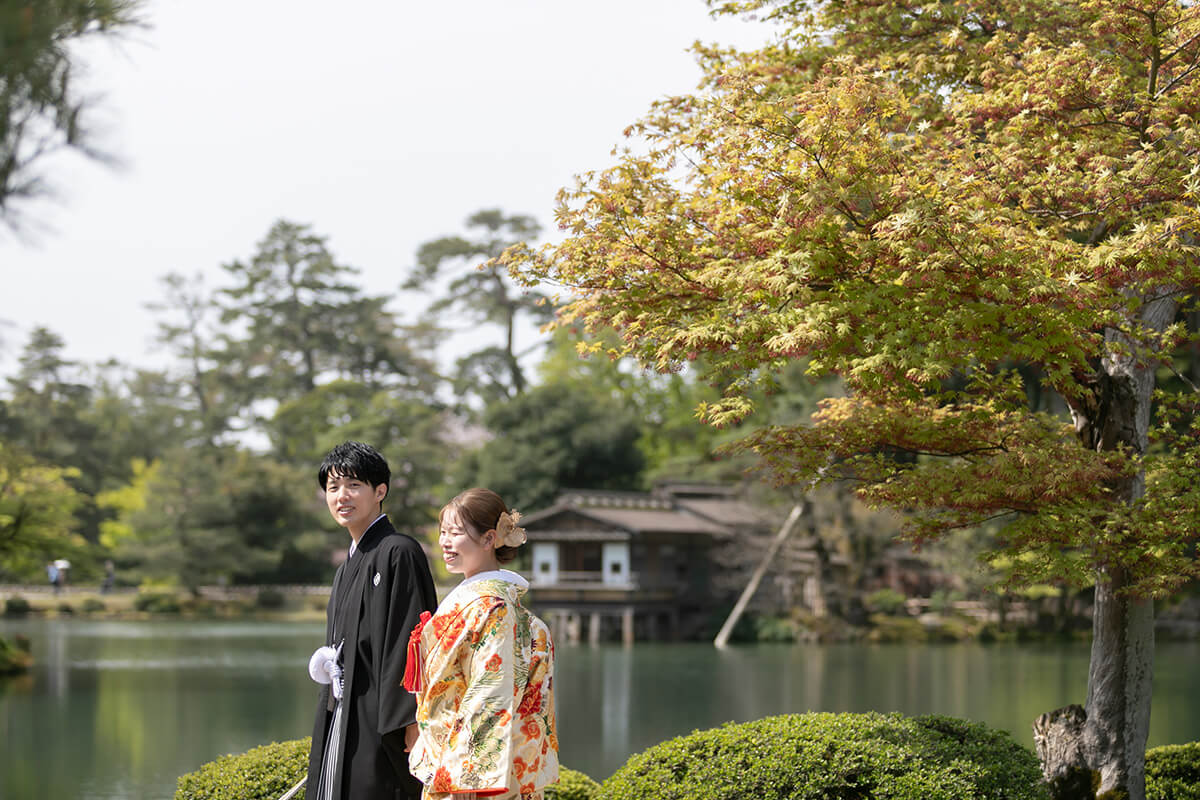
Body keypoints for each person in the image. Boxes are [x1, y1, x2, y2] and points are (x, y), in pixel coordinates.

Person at [404, 488, 559, 800]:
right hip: (448, 756)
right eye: (443, 532)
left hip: (470, 776)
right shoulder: (479, 601)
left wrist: (469, 774)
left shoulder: (493, 608)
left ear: (489, 539)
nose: (445, 542)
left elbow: (490, 692)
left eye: (456, 533)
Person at [306, 441, 439, 800]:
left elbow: (411, 640)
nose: (341, 496)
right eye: (333, 488)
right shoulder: (347, 564)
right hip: (344, 709)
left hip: (382, 719)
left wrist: (410, 721)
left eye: (353, 485)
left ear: (380, 491)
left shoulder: (398, 551)